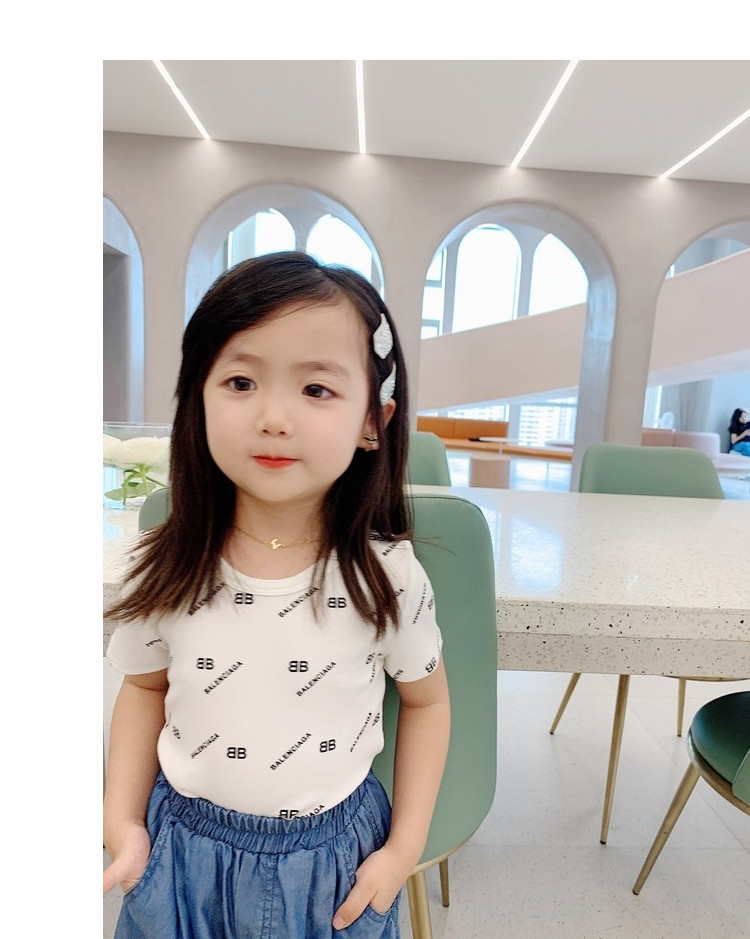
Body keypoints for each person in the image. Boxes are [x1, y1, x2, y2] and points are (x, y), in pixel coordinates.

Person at [103, 251, 451, 938]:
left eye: (316, 389)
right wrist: (122, 821)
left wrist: (403, 849)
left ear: (373, 421)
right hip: (180, 854)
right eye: (241, 381)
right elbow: (143, 689)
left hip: (334, 864)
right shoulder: (163, 564)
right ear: (198, 400)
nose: (273, 417)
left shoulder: (388, 576)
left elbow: (428, 702)